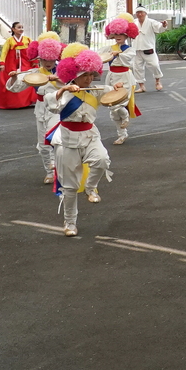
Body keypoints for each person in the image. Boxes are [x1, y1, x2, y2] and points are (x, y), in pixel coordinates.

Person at [46, 46, 112, 235]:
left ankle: (91, 187)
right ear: (74, 75)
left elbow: (112, 94)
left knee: (102, 160)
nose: (89, 79)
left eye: (91, 74)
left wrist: (118, 89)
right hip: (67, 140)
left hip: (90, 135)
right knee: (70, 187)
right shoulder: (65, 94)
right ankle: (70, 223)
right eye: (85, 75)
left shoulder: (95, 90)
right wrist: (63, 89)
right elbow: (51, 104)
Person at [9, 35, 63, 182]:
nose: (48, 63)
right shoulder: (34, 73)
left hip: (57, 107)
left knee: (53, 137)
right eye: (44, 59)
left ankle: (56, 165)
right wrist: (14, 77)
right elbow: (16, 87)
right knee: (42, 143)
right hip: (41, 108)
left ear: (56, 57)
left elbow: (71, 84)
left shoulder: (62, 71)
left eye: (51, 59)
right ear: (39, 58)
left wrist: (57, 79)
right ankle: (49, 172)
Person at [100, 14, 142, 145]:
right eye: (116, 34)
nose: (118, 36)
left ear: (127, 35)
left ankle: (125, 115)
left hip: (125, 78)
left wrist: (118, 54)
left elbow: (128, 59)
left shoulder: (130, 49)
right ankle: (122, 134)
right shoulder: (108, 48)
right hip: (112, 77)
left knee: (119, 104)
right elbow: (98, 55)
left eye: (122, 34)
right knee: (112, 109)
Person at [0, 21, 36, 110]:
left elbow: (33, 50)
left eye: (22, 27)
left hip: (25, 62)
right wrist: (2, 63)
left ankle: (26, 101)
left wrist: (34, 61)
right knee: (12, 79)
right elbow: (4, 52)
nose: (21, 29)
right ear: (13, 29)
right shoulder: (9, 40)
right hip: (12, 63)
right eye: (19, 27)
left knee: (27, 78)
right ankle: (12, 103)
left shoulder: (27, 39)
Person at [130, 7, 164, 92]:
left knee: (155, 65)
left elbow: (159, 27)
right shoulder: (133, 23)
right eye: (138, 12)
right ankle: (141, 86)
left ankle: (157, 81)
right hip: (136, 48)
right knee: (137, 68)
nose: (140, 14)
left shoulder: (151, 22)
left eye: (141, 12)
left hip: (148, 48)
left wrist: (163, 25)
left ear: (145, 13)